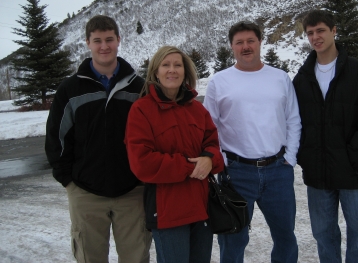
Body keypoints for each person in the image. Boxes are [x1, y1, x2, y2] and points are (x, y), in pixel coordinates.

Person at [45, 15, 152, 263]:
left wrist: (144, 177)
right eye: (97, 40)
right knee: (89, 258)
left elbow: (151, 135)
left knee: (136, 258)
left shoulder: (139, 87)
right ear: (88, 43)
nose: (104, 46)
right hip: (85, 193)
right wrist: (68, 181)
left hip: (132, 192)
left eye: (109, 39)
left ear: (118, 41)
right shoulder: (70, 89)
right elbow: (57, 137)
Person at [203, 21, 301, 263]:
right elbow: (209, 127)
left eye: (250, 41)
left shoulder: (280, 78)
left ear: (259, 42)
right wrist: (223, 161)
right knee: (233, 239)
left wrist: (290, 156)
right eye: (239, 42)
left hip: (278, 171)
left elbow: (293, 120)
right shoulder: (219, 81)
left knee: (285, 237)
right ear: (232, 47)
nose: (245, 46)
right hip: (236, 174)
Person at [292, 10, 358, 262]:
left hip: (355, 172)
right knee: (323, 234)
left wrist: (355, 156)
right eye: (310, 33)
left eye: (320, 30)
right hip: (318, 173)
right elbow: (295, 122)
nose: (315, 37)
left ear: (334, 31)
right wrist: (306, 157)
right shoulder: (302, 79)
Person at [124, 46, 224, 263]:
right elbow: (142, 162)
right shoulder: (142, 110)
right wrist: (192, 167)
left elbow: (214, 145)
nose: (172, 70)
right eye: (166, 65)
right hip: (168, 213)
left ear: (185, 71)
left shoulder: (197, 109)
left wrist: (209, 159)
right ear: (155, 72)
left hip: (202, 209)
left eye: (177, 65)